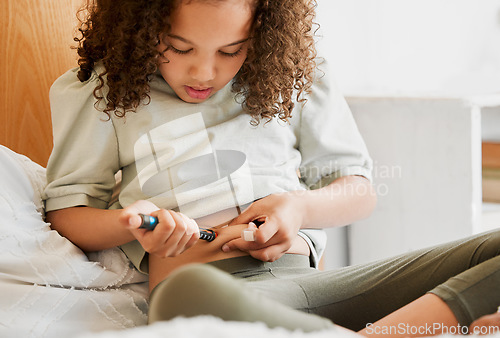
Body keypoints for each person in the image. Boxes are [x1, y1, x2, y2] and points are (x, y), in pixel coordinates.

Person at [43, 0, 500, 336]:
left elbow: (358, 189)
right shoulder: (104, 89)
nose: (204, 72)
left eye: (231, 50)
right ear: (141, 26)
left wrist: (298, 209)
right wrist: (129, 223)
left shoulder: (293, 74)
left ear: (261, 33)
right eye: (179, 48)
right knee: (189, 296)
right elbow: (67, 214)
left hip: (312, 286)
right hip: (200, 288)